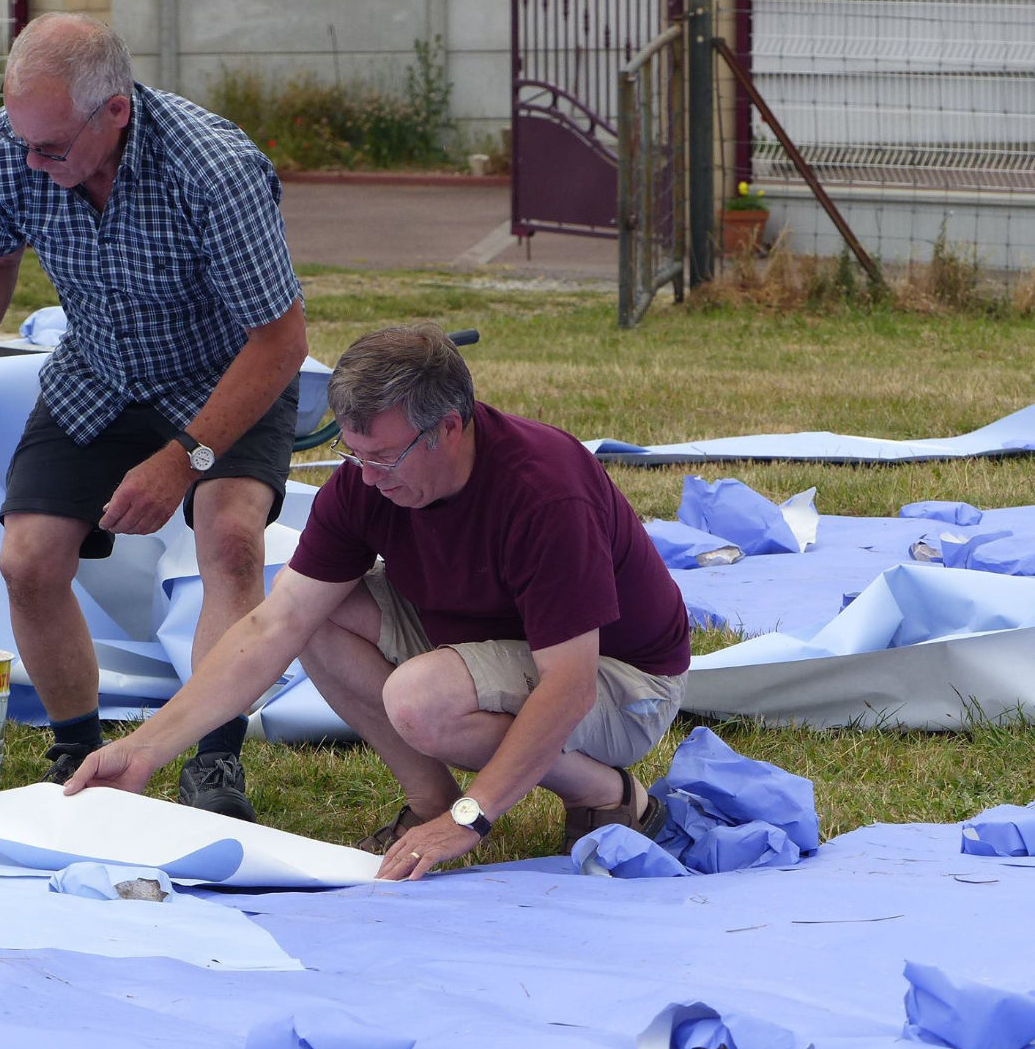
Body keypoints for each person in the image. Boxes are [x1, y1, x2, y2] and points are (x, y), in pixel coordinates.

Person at [66, 323, 691, 879]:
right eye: (353, 456)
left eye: (386, 457)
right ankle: (428, 802)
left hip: (625, 682)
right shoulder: (367, 482)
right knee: (310, 608)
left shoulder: (546, 491)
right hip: (488, 643)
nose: (368, 478)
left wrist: (473, 820)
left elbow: (571, 684)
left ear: (450, 426)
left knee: (422, 701)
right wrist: (144, 748)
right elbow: (272, 626)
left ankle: (609, 793)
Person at [0, 13, 307, 819]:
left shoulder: (214, 170)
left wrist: (183, 456)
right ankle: (79, 757)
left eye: (52, 149)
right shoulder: (10, 146)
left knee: (228, 540)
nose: (35, 164)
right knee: (28, 559)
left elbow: (281, 341)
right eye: (25, 143)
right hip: (101, 370)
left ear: (114, 111)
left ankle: (212, 764)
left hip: (228, 376)